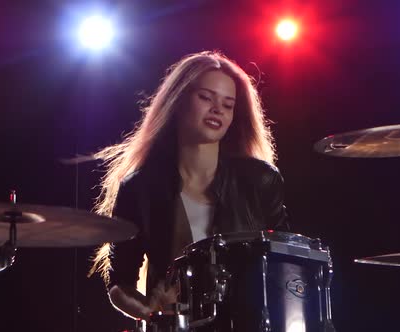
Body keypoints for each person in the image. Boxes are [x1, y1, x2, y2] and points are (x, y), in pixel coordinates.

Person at [89, 50, 289, 321]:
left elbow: (287, 265)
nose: (217, 109)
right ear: (178, 101)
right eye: (206, 97)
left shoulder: (261, 180)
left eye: (228, 104)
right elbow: (119, 283)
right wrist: (150, 311)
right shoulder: (140, 188)